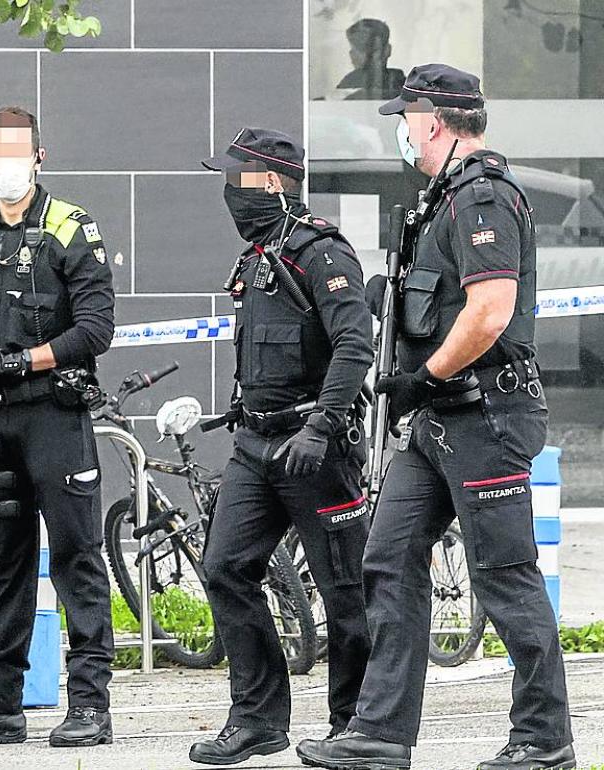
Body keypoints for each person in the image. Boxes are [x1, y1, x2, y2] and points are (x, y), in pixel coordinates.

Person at [298, 64, 575, 770]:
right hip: (437, 420)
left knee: (504, 577)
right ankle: (382, 735)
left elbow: (490, 312)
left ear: (433, 120)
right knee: (387, 558)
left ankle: (545, 741)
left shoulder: (482, 197)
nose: (401, 130)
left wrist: (424, 377)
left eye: (405, 117)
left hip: (486, 416)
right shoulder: (441, 198)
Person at [0, 106, 116, 748]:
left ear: (39, 156)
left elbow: (96, 329)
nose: (7, 163)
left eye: (19, 151)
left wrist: (20, 360)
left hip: (53, 417)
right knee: (7, 563)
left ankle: (90, 705)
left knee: (75, 557)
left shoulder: (70, 227)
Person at [186, 128, 374, 765]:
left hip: (313, 448)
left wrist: (322, 425)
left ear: (271, 181)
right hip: (257, 444)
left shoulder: (319, 253)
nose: (227, 193)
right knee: (226, 568)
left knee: (345, 590)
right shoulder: (258, 256)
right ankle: (258, 719)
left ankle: (355, 726)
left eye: (234, 178)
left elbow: (355, 345)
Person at [335, 18, 405, 100]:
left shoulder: (403, 85)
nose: (367, 57)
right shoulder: (349, 82)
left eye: (373, 50)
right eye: (360, 50)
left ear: (387, 50)